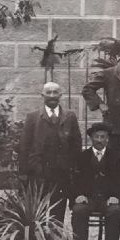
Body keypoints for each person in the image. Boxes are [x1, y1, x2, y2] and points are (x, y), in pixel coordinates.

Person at [19, 81, 81, 229]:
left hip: (61, 173)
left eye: (55, 92)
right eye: (48, 92)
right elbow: (24, 146)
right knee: (37, 212)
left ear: (60, 95)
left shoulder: (69, 117)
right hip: (39, 173)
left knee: (57, 212)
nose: (52, 95)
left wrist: (73, 169)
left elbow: (76, 145)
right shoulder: (33, 117)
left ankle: (55, 239)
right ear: (42, 95)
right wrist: (23, 172)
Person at [72, 122, 120, 240]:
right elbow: (74, 180)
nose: (99, 140)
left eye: (103, 137)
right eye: (96, 137)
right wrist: (78, 195)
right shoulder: (82, 157)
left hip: (107, 199)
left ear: (107, 139)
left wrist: (116, 197)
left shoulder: (116, 157)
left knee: (115, 211)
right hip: (88, 198)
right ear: (91, 138)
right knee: (78, 210)